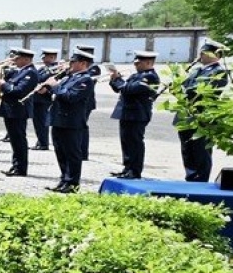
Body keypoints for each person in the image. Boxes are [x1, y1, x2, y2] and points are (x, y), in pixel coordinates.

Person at [39, 49, 98, 192]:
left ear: (83, 63)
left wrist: (55, 86)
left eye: (73, 61)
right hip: (58, 119)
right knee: (61, 152)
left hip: (72, 122)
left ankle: (72, 183)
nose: (69, 64)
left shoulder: (86, 80)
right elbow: (58, 96)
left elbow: (71, 97)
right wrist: (46, 91)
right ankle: (64, 180)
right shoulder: (69, 78)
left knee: (72, 153)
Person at [178, 39, 230, 182]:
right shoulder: (196, 70)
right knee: (187, 151)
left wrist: (184, 88)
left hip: (202, 117)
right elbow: (182, 87)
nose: (200, 55)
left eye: (204, 52)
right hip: (186, 116)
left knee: (200, 152)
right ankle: (190, 178)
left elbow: (197, 91)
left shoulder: (218, 72)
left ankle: (200, 181)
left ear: (216, 55)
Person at [108, 51, 160, 179]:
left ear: (148, 62)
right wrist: (115, 79)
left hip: (138, 114)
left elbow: (130, 89)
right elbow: (119, 89)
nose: (135, 65)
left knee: (135, 143)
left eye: (139, 62)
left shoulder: (150, 77)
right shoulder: (136, 75)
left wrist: (119, 80)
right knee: (126, 141)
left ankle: (135, 171)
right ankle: (127, 168)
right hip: (127, 113)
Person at [0, 49, 42, 177]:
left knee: (19, 140)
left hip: (18, 110)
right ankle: (15, 165)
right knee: (14, 140)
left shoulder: (31, 73)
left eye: (18, 59)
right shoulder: (21, 71)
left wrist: (3, 85)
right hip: (11, 110)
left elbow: (19, 91)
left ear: (26, 59)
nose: (15, 61)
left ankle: (21, 168)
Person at [33, 47, 61, 150]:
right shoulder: (42, 68)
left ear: (52, 57)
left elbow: (56, 83)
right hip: (37, 97)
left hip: (44, 99)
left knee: (42, 122)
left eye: (46, 57)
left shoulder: (56, 69)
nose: (43, 59)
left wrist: (47, 90)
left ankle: (43, 143)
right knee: (37, 122)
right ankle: (40, 141)